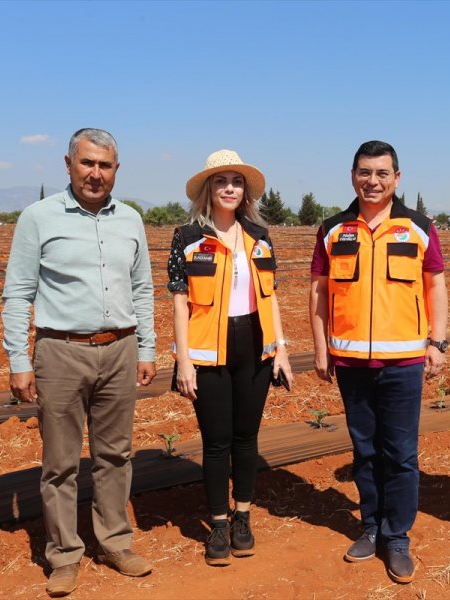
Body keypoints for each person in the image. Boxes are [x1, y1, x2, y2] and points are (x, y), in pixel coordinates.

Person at [1, 128, 157, 597]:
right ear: (68, 164)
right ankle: (64, 555)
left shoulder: (130, 219)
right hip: (60, 351)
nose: (95, 173)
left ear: (116, 169)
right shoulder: (38, 218)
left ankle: (114, 542)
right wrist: (18, 358)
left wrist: (146, 348)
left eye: (104, 165)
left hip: (119, 349)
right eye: (86, 163)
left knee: (115, 454)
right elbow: (18, 292)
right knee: (60, 462)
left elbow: (143, 289)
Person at [309, 140, 448, 584]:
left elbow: (436, 286)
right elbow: (317, 293)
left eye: (382, 174)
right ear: (353, 176)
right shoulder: (332, 230)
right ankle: (370, 526)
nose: (373, 181)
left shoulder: (419, 228)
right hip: (351, 361)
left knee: (402, 454)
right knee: (365, 451)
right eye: (365, 173)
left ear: (397, 178)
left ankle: (397, 535)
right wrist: (320, 347)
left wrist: (438, 342)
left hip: (404, 361)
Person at [167, 149, 293, 566]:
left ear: (245, 192)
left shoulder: (259, 235)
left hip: (254, 345)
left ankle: (243, 517)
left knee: (246, 438)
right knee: (216, 441)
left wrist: (280, 349)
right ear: (208, 189)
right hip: (208, 352)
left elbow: (270, 296)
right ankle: (218, 524)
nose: (229, 189)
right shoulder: (187, 238)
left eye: (236, 182)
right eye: (221, 182)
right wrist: (184, 361)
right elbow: (179, 303)